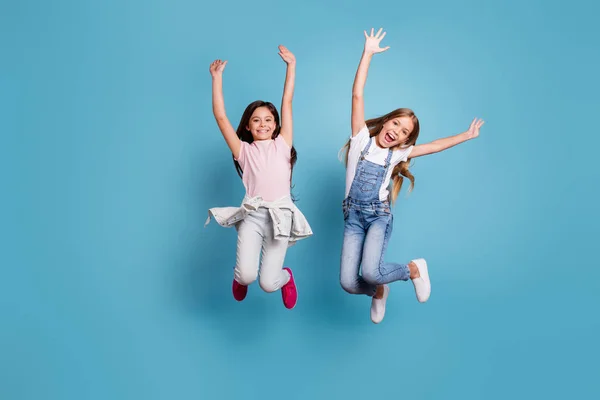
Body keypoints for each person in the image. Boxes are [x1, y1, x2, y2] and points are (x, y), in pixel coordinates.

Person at [340, 28, 485, 323]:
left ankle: (413, 269)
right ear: (385, 121)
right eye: (396, 123)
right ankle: (379, 292)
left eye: (405, 132)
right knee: (348, 283)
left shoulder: (399, 155)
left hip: (378, 215)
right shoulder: (360, 139)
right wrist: (367, 53)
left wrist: (466, 136)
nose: (397, 131)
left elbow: (433, 147)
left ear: (405, 141)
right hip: (353, 217)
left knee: (369, 271)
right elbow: (357, 94)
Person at [206, 45, 312, 309]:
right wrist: (217, 79)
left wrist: (291, 66)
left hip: (281, 216)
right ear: (247, 126)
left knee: (267, 283)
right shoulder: (243, 150)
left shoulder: (283, 143)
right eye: (256, 120)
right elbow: (220, 117)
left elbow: (287, 101)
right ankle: (240, 277)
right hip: (252, 215)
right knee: (247, 275)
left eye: (268, 120)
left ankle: (286, 277)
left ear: (276, 125)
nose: (263, 124)